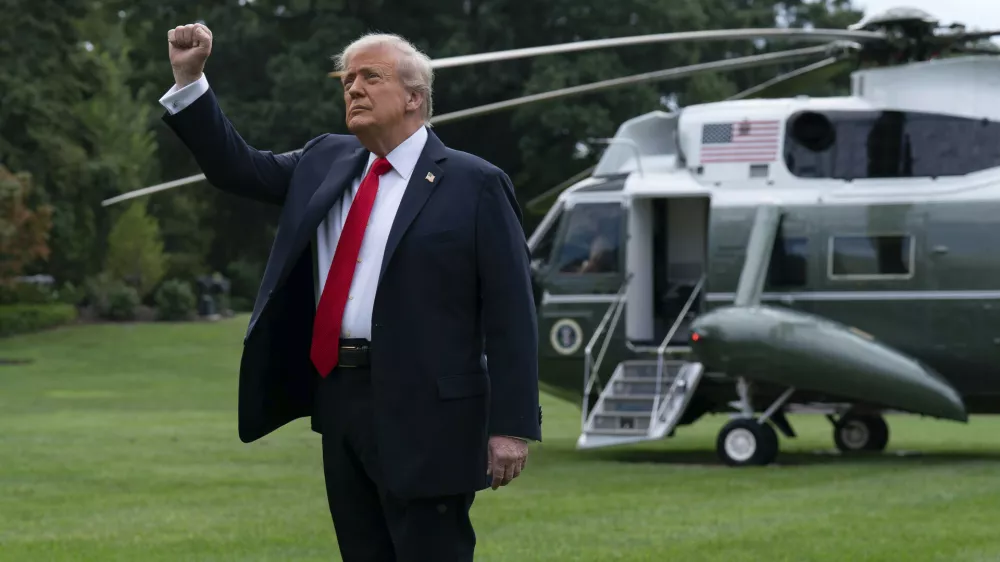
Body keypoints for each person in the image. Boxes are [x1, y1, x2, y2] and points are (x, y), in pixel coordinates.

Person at [160, 23, 542, 562]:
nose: (353, 88)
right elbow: (236, 168)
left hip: (431, 413)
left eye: (370, 77)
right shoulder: (324, 161)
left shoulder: (475, 184)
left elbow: (512, 313)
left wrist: (511, 427)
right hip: (340, 397)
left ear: (414, 98)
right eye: (347, 81)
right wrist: (190, 80)